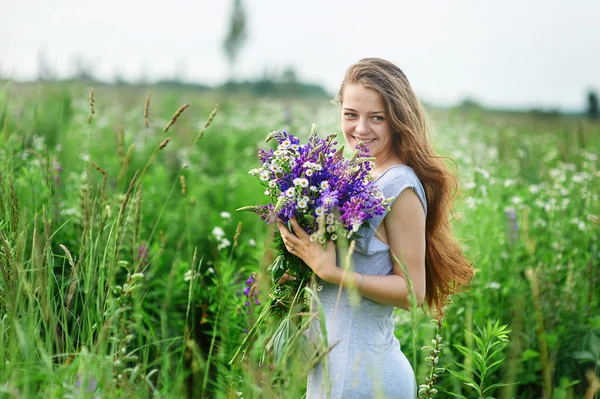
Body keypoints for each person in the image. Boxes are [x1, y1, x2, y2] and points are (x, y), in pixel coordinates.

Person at [276, 57, 473, 399]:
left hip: (368, 380)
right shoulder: (355, 174)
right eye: (351, 114)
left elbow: (413, 292)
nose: (361, 129)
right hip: (332, 373)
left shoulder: (400, 185)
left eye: (376, 118)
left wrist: (328, 270)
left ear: (397, 120)